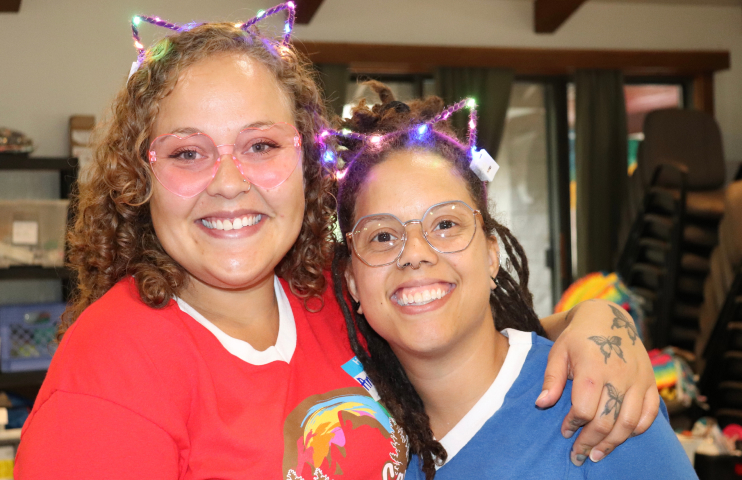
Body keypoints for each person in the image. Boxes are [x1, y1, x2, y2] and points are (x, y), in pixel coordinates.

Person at [16, 5, 658, 479]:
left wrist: (602, 323)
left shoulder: (333, 292)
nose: (230, 183)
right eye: (189, 153)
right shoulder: (111, 370)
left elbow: (477, 340)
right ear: (139, 176)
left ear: (305, 166)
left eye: (261, 145)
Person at [332, 83, 697, 479]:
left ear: (491, 254)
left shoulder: (598, 406)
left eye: (446, 224)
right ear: (352, 281)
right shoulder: (353, 436)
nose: (416, 253)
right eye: (382, 236)